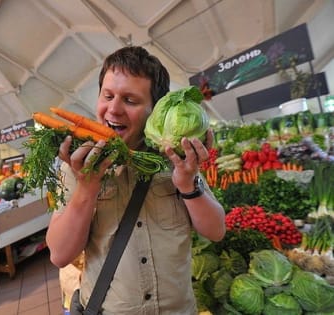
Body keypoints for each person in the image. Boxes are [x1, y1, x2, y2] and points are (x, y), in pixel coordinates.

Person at [46, 46, 226, 315]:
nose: (113, 110)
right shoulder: (78, 165)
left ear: (155, 110)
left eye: (130, 100)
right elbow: (60, 255)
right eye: (107, 96)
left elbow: (216, 231)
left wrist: (189, 186)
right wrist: (87, 188)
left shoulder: (172, 161)